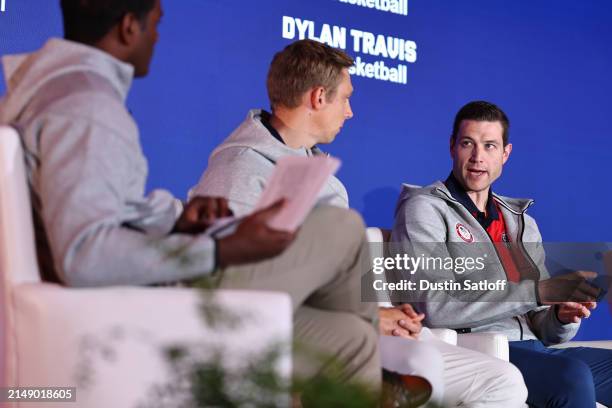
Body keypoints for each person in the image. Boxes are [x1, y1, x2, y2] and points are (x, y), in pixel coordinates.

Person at [0, 0, 383, 396]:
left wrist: (175, 217)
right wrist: (217, 250)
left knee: (353, 339)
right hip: (167, 302)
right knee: (342, 227)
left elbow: (106, 209)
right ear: (130, 27)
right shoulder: (87, 106)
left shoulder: (58, 92)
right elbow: (84, 254)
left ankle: (374, 377)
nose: (157, 38)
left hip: (162, 286)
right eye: (156, 25)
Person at [191, 39, 528, 407]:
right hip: (290, 340)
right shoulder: (240, 169)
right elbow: (238, 291)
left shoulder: (322, 177)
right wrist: (366, 320)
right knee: (418, 366)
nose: (350, 112)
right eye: (346, 98)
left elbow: (328, 282)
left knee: (503, 381)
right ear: (319, 97)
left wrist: (379, 315)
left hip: (351, 327)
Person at [391, 100, 612, 407]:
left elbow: (544, 328)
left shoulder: (520, 220)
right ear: (452, 146)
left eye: (490, 146)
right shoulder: (425, 208)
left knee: (574, 370)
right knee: (570, 377)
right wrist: (537, 291)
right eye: (468, 143)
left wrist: (561, 315)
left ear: (505, 154)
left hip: (537, 348)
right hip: (480, 351)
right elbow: (434, 306)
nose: (478, 157)